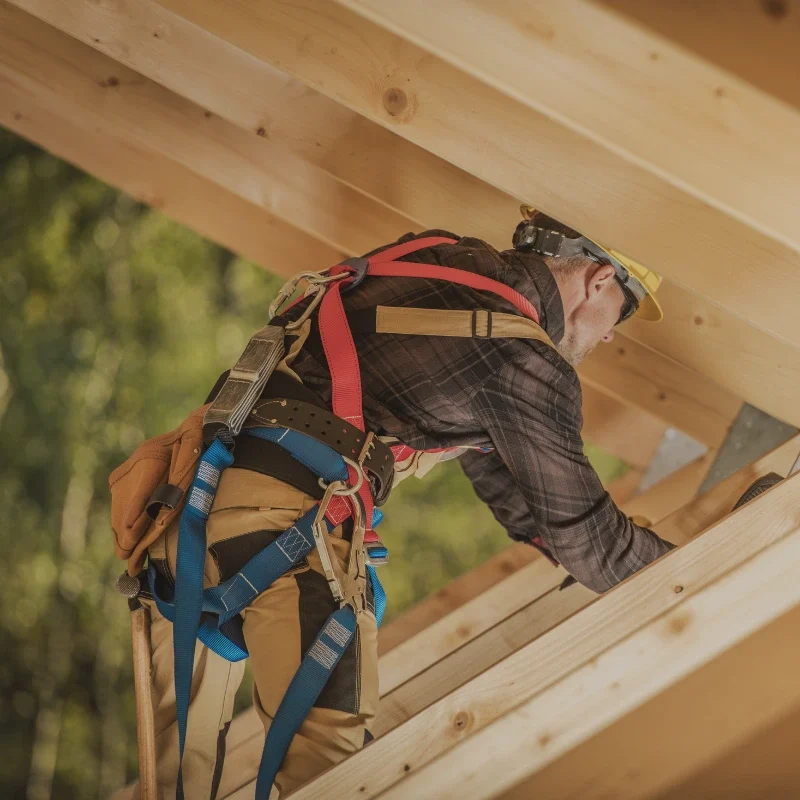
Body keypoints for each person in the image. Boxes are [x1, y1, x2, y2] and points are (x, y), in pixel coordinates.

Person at [124, 206, 673, 798]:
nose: (612, 333)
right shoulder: (525, 361)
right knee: (334, 779)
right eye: (623, 311)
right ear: (598, 280)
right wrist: (679, 563)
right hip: (279, 531)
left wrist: (552, 547)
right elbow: (594, 543)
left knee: (182, 780)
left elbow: (500, 473)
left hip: (181, 518)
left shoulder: (431, 257)